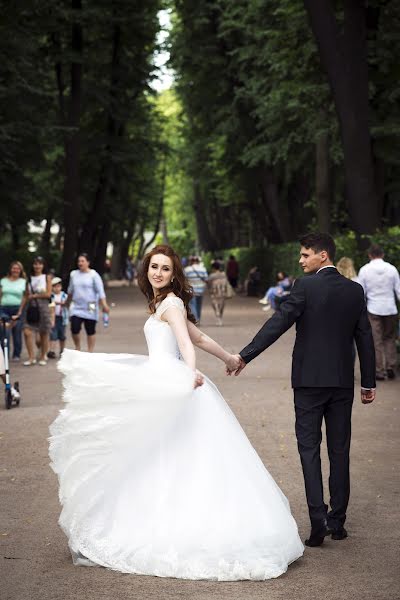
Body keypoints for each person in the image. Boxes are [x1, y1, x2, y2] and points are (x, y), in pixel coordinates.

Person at [49, 244, 303, 580]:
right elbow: (198, 336)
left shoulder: (170, 302)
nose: (158, 273)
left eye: (165, 269)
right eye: (154, 267)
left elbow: (185, 344)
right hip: (160, 381)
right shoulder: (163, 303)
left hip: (173, 382)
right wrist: (229, 357)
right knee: (154, 453)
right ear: (147, 270)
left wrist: (188, 374)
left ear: (174, 274)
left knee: (171, 455)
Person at [228, 233, 376, 548]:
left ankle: (317, 520)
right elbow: (364, 336)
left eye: (305, 254)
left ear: (323, 255)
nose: (300, 260)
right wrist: (368, 382)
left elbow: (277, 324)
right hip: (340, 383)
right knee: (340, 450)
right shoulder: (354, 291)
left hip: (308, 382)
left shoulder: (304, 287)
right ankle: (337, 522)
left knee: (309, 450)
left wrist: (245, 355)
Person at [358, 245, 400, 380]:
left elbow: (361, 292)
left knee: (376, 340)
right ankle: (391, 366)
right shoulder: (392, 269)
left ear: (370, 255)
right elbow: (398, 290)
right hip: (390, 308)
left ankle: (379, 370)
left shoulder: (364, 270)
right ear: (382, 255)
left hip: (373, 308)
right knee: (389, 338)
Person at [67, 253, 110, 353]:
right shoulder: (73, 274)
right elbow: (70, 290)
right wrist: (66, 302)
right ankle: (77, 347)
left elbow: (100, 291)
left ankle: (90, 351)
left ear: (88, 262)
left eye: (82, 261)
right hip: (76, 305)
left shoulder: (93, 275)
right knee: (74, 328)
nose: (80, 263)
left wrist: (104, 305)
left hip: (91, 305)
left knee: (90, 329)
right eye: (79, 261)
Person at [23, 256, 52, 366]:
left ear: (43, 265)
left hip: (43, 307)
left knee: (43, 333)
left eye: (40, 264)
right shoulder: (29, 278)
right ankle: (31, 357)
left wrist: (35, 295)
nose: (37, 266)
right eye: (35, 264)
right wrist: (21, 310)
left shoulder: (46, 277)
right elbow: (26, 295)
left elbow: (48, 294)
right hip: (30, 307)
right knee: (27, 332)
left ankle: (43, 355)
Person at [0, 261, 27, 361]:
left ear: (20, 270)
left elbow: (25, 297)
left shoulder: (23, 282)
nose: (15, 270)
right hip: (4, 308)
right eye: (13, 268)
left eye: (17, 268)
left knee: (17, 331)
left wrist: (20, 312)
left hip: (17, 308)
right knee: (4, 331)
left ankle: (16, 354)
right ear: (10, 269)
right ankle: (4, 354)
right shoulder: (3, 281)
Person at [47, 277, 68, 359]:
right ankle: (51, 350)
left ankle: (62, 350)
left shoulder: (64, 295)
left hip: (62, 317)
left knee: (62, 335)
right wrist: (58, 303)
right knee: (53, 335)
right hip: (53, 317)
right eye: (54, 286)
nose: (57, 288)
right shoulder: (51, 296)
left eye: (58, 286)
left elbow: (68, 303)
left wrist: (63, 303)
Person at [184, 256, 208, 323]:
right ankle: (198, 319)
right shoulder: (203, 269)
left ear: (191, 261)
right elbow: (206, 279)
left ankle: (196, 319)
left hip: (191, 290)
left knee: (192, 305)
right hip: (201, 290)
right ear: (198, 261)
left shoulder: (187, 269)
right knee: (199, 305)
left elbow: (184, 280)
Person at [208, 261, 228, 326]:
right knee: (221, 306)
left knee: (215, 306)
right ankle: (220, 318)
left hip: (214, 292)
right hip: (222, 292)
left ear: (213, 268)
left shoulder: (212, 275)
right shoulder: (223, 274)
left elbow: (209, 283)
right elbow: (226, 283)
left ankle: (218, 319)